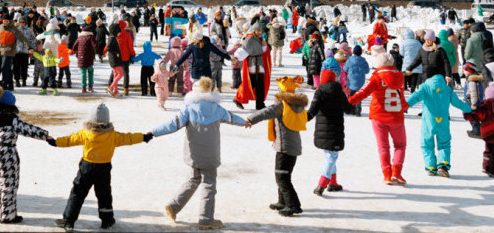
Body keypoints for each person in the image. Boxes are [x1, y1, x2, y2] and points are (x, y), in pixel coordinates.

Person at [149, 77, 246, 230]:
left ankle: (174, 206)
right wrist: (245, 122)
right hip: (210, 155)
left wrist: (153, 132)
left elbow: (172, 124)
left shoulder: (188, 109)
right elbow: (232, 118)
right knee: (209, 183)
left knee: (193, 179)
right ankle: (206, 219)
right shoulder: (218, 109)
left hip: (194, 154)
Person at [49, 104, 151, 231]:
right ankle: (107, 221)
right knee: (104, 194)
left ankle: (68, 221)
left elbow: (70, 140)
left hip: (87, 167)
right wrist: (143, 137)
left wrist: (55, 142)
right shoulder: (113, 135)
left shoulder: (85, 133)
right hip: (104, 168)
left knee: (77, 193)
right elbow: (129, 138)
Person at [0, 86, 52, 224]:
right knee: (10, 184)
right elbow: (27, 129)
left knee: (5, 180)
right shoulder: (12, 120)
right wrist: (45, 135)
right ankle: (7, 215)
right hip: (8, 152)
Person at [245, 76, 308, 216]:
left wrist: (251, 119)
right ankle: (283, 201)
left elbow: (266, 112)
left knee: (282, 177)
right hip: (293, 145)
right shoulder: (297, 104)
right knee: (284, 174)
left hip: (285, 146)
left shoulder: (282, 104)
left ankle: (293, 205)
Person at [348, 49, 409, 185]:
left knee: (383, 146)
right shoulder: (400, 76)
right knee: (400, 145)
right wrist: (404, 106)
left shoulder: (376, 77)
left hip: (378, 116)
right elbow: (401, 95)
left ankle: (387, 174)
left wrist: (349, 100)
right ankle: (397, 172)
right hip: (396, 117)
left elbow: (363, 92)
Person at [406, 74, 471, 177]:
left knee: (427, 143)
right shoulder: (447, 89)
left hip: (428, 121)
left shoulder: (425, 87)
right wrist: (469, 109)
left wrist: (404, 106)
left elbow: (415, 97)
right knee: (444, 143)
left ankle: (431, 167)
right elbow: (457, 103)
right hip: (443, 122)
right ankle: (443, 165)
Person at [306, 70, 352, 196]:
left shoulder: (319, 91)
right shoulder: (339, 91)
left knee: (330, 155)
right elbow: (348, 108)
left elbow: (312, 111)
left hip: (323, 130)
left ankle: (332, 183)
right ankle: (323, 184)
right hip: (336, 130)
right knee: (331, 156)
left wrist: (299, 119)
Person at [0, 14, 33, 91]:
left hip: (10, 51)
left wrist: (29, 47)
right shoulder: (0, 27)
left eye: (6, 21)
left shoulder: (14, 29)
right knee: (7, 69)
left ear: (9, 21)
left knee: (4, 67)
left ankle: (5, 84)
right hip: (1, 50)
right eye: (4, 21)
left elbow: (23, 39)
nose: (5, 22)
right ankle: (10, 85)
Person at [234, 23, 272, 109]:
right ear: (254, 30)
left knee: (260, 86)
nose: (259, 32)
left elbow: (262, 51)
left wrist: (264, 45)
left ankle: (260, 104)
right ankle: (238, 98)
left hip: (260, 64)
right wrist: (236, 57)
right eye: (257, 30)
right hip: (252, 64)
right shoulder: (250, 38)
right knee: (250, 84)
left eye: (260, 31)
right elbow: (243, 49)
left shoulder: (259, 38)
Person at [344, 46, 370, 116]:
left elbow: (345, 69)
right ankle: (358, 110)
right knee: (359, 96)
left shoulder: (349, 60)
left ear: (353, 52)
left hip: (351, 82)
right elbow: (367, 71)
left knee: (352, 96)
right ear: (361, 53)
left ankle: (351, 110)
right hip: (360, 82)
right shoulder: (364, 61)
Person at [74, 25, 98, 93]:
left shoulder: (79, 37)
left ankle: (83, 88)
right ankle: (90, 87)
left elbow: (74, 46)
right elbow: (95, 46)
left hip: (81, 57)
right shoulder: (91, 37)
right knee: (90, 72)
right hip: (89, 57)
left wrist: (76, 50)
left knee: (83, 73)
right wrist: (100, 53)